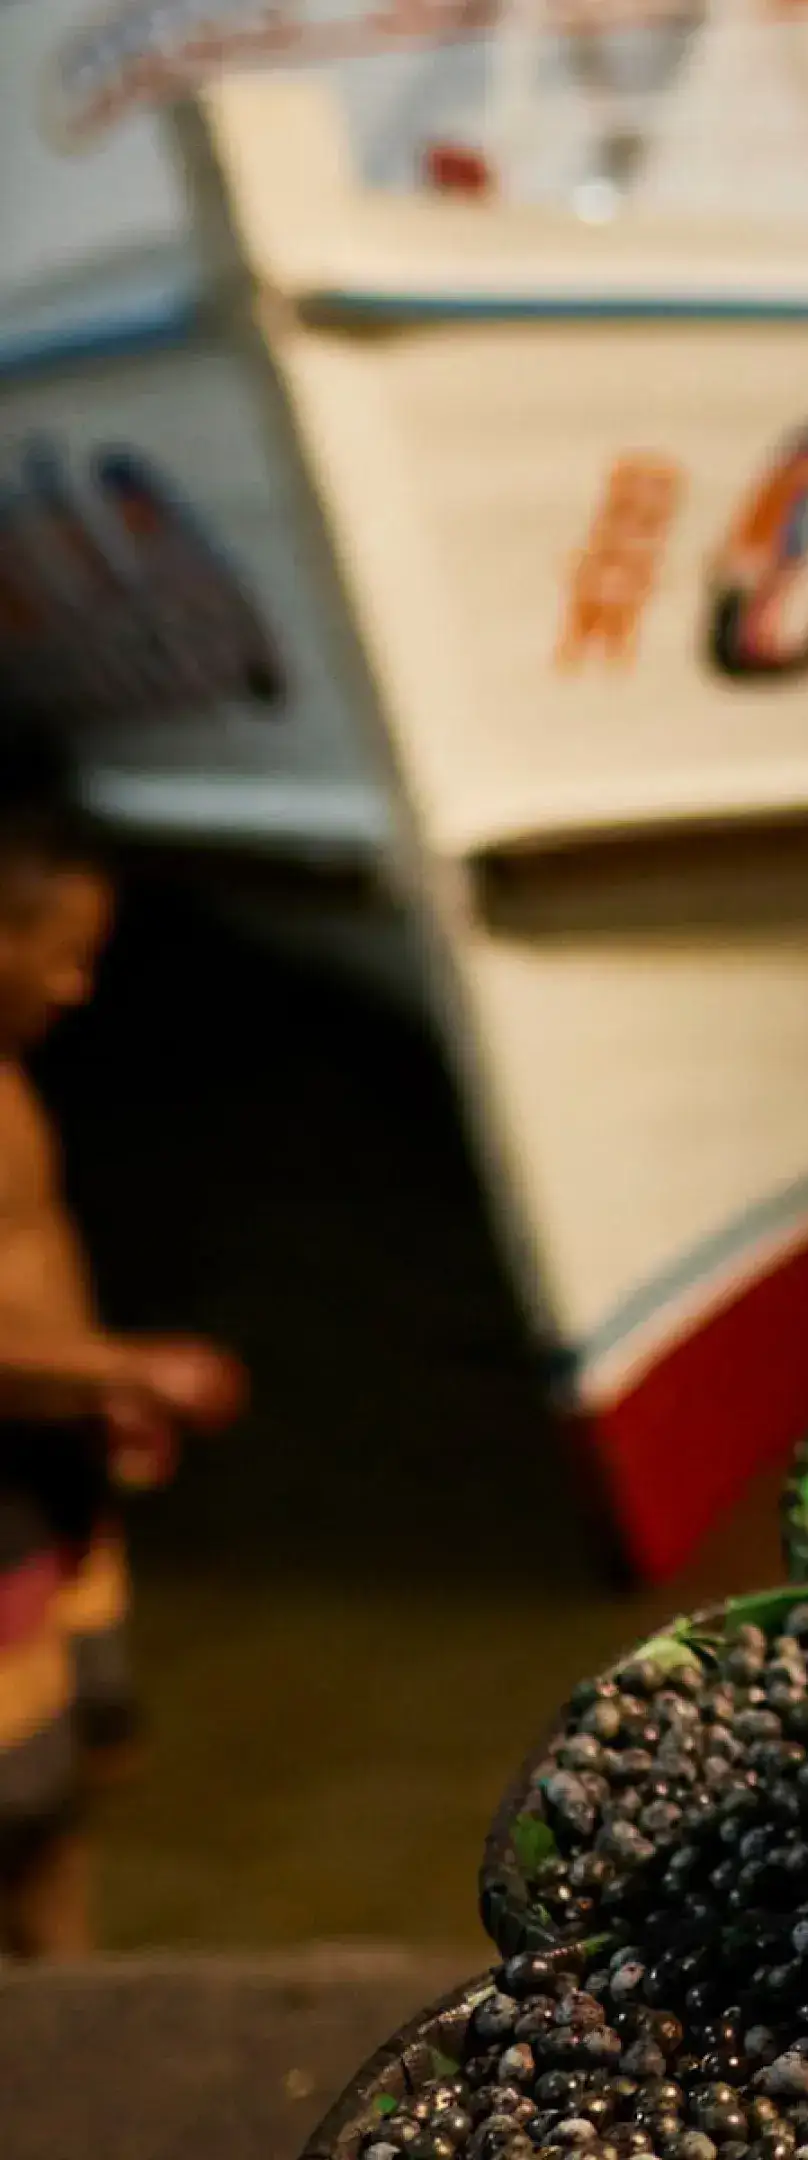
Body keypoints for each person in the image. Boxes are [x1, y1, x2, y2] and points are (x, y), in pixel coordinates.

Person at [0, 736, 243, 1959]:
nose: (80, 987)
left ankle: (73, 1981)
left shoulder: (12, 1071)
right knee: (18, 1811)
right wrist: (128, 1369)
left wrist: (93, 1392)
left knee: (87, 1766)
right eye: (65, 956)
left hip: (56, 1467)